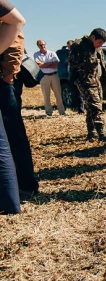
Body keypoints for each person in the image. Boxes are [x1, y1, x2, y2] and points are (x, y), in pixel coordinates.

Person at [0, 0, 25, 213]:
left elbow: (17, 35)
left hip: (5, 79)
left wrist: (8, 74)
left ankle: (25, 184)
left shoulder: (7, 17)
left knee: (12, 133)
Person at [69, 29, 106, 142]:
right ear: (93, 37)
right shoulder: (79, 45)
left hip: (96, 80)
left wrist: (104, 79)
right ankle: (101, 133)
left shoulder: (98, 48)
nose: (100, 45)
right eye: (99, 42)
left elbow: (102, 64)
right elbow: (71, 62)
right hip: (84, 81)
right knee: (96, 106)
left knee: (90, 107)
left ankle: (92, 133)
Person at [33, 39, 66, 116]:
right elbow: (39, 65)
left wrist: (44, 64)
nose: (42, 46)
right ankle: (49, 112)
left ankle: (61, 111)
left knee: (58, 94)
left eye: (43, 44)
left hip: (54, 75)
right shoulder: (36, 54)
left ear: (46, 44)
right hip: (44, 76)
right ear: (38, 46)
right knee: (46, 95)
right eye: (40, 45)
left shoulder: (52, 53)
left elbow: (56, 65)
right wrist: (50, 63)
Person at [67, 39, 85, 114]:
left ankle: (81, 109)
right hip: (71, 75)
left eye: (70, 46)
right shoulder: (69, 54)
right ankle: (79, 108)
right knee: (76, 93)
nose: (69, 48)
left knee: (80, 93)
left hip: (79, 75)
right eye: (68, 47)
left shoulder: (78, 54)